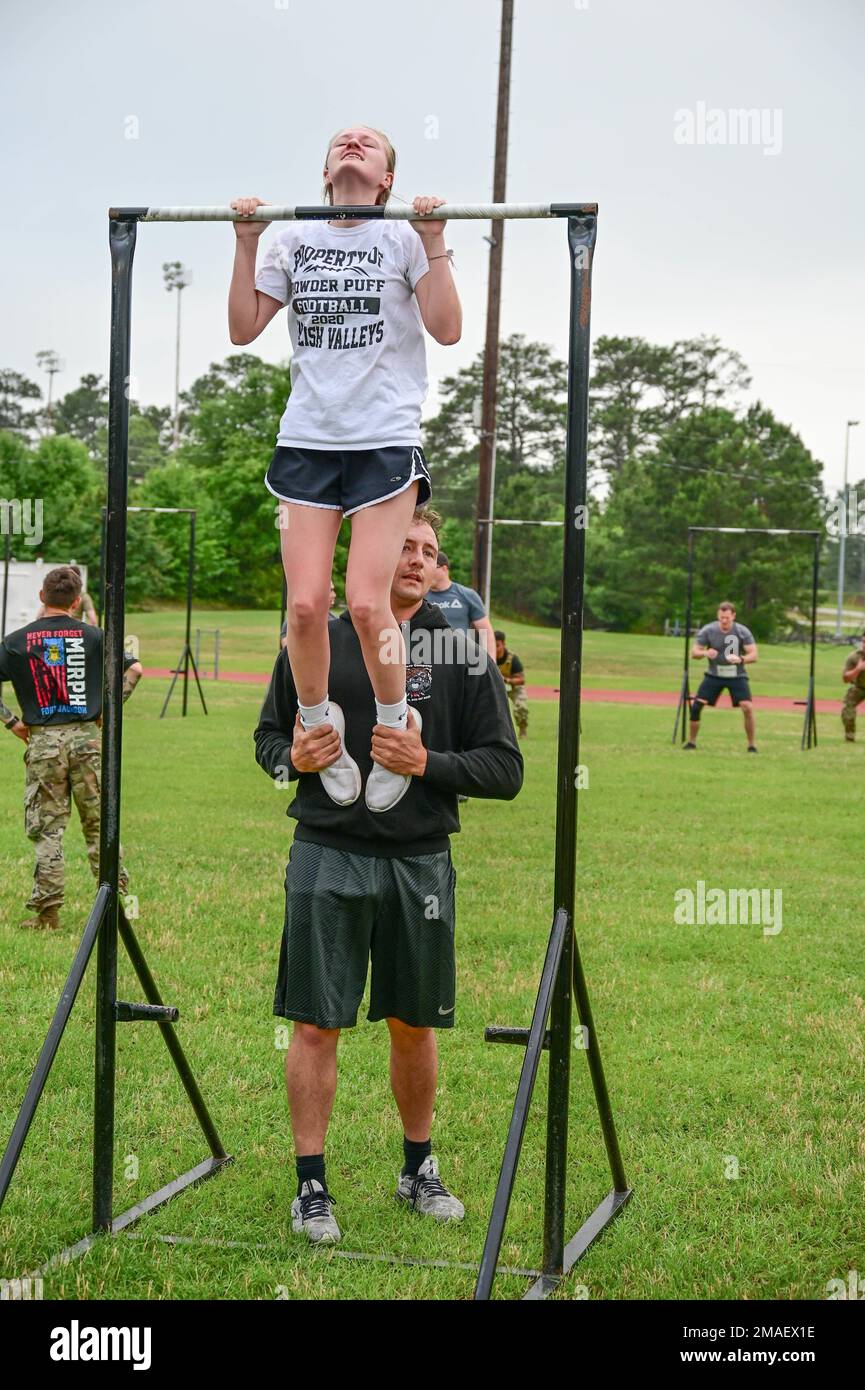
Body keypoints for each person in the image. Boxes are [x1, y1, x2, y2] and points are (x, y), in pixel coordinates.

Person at [253, 505, 523, 1245]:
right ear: (366, 559)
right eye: (399, 544)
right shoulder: (317, 639)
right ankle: (311, 1186)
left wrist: (427, 764)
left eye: (426, 550)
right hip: (328, 849)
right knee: (315, 1022)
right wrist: (291, 762)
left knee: (414, 1022)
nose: (413, 557)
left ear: (440, 570)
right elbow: (269, 737)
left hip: (419, 860)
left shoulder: (460, 654)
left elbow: (505, 769)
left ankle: (417, 1167)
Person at [230, 125, 462, 817]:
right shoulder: (291, 238)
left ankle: (393, 726)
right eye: (342, 139)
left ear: (385, 177)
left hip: (383, 440)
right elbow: (244, 328)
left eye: (369, 141)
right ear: (327, 169)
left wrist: (434, 241)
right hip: (308, 438)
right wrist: (244, 246)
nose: (353, 142)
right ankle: (317, 720)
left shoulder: (399, 237)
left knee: (366, 602)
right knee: (302, 606)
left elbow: (447, 328)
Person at [0, 565, 142, 930]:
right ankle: (118, 905)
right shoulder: (96, 636)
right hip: (87, 738)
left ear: (42, 597)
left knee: (48, 827)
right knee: (99, 825)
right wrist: (109, 710)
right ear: (77, 602)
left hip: (44, 741)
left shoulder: (17, 641)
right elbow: (136, 669)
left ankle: (48, 913)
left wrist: (12, 722)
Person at [685, 601, 758, 752]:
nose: (724, 621)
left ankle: (751, 745)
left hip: (737, 675)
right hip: (714, 674)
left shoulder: (742, 631)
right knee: (697, 705)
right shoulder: (709, 630)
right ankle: (691, 742)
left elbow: (754, 655)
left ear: (733, 616)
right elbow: (694, 653)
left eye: (727, 618)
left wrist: (741, 659)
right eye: (721, 617)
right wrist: (705, 653)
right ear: (718, 615)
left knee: (747, 707)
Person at [425, 551, 496, 659]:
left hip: (462, 661)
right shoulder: (419, 597)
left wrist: (491, 662)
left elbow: (486, 631)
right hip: (428, 661)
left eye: (432, 567)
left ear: (444, 569)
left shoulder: (467, 595)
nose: (427, 572)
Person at [495, 629, 528, 738]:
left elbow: (522, 679)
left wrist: (508, 680)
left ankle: (522, 729)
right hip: (496, 687)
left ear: (503, 644)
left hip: (513, 687)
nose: (495, 649)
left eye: (497, 646)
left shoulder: (512, 659)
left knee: (521, 706)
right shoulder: (488, 656)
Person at [841, 630, 865, 741]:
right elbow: (845, 678)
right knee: (847, 708)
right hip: (859, 687)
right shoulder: (854, 657)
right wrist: (858, 669)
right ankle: (850, 736)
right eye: (864, 642)